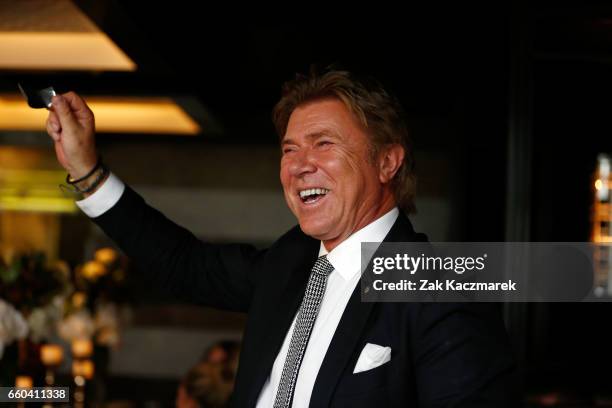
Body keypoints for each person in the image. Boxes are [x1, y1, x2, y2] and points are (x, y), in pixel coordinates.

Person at [45, 69, 518, 407]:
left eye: (324, 143)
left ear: (387, 162)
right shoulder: (291, 260)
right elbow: (183, 264)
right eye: (290, 148)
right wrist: (87, 172)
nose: (298, 164)